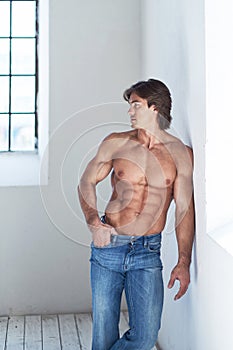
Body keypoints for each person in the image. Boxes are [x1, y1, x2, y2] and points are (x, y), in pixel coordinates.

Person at [78, 79, 195, 350]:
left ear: (155, 108)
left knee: (145, 335)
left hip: (147, 251)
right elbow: (86, 182)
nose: (130, 112)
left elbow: (184, 210)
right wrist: (94, 222)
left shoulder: (180, 154)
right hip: (109, 247)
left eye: (135, 106)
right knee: (104, 335)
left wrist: (183, 261)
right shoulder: (116, 143)